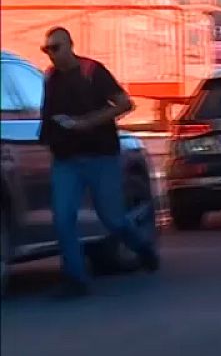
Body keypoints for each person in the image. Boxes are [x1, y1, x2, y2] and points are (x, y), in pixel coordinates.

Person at [39, 27, 160, 297]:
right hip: (67, 160)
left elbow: (124, 103)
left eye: (56, 48)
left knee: (113, 219)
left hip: (100, 157)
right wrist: (49, 139)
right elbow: (48, 113)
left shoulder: (92, 71)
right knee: (63, 217)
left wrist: (85, 123)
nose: (51, 55)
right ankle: (76, 279)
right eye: (47, 50)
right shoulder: (49, 77)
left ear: (70, 45)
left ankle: (143, 249)